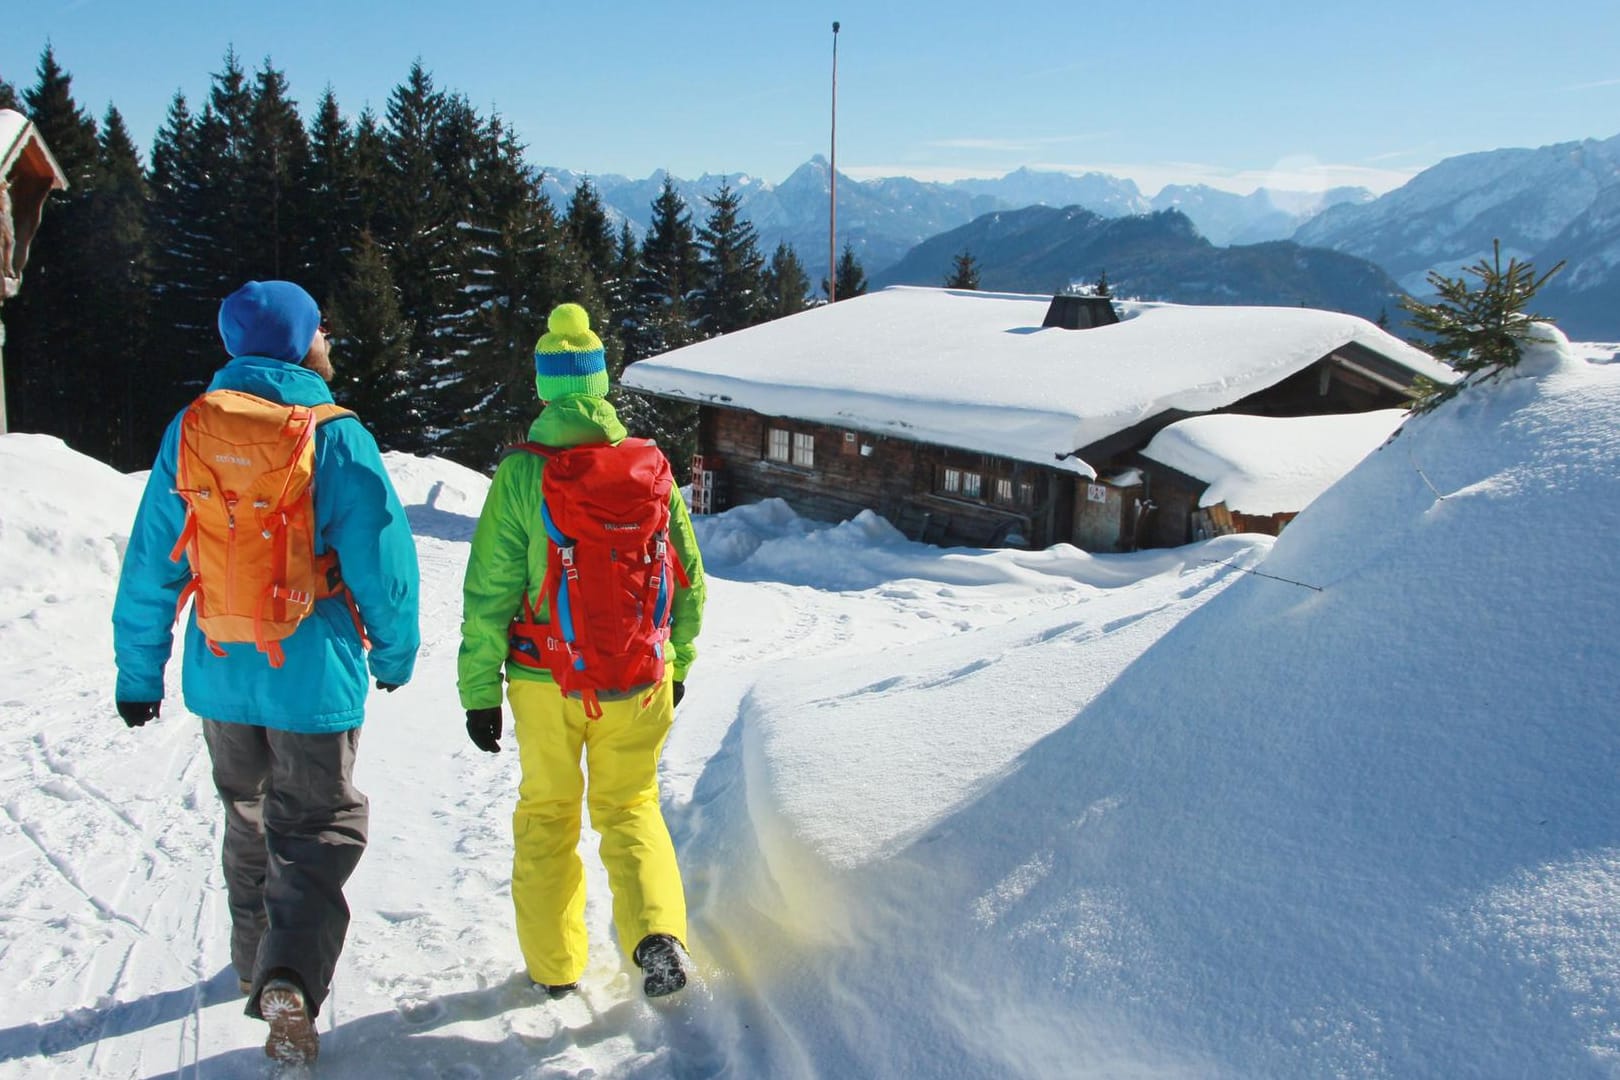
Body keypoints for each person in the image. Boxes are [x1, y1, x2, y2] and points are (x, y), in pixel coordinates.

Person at [112, 280, 420, 1065]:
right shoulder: (336, 433)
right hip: (312, 679)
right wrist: (393, 653)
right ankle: (287, 980)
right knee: (315, 829)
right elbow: (382, 561)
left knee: (244, 815)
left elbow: (152, 560)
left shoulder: (189, 429)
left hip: (220, 670)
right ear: (300, 342)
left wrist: (138, 673)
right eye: (322, 330)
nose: (329, 342)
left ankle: (254, 957)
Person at [459, 302, 705, 999]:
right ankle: (657, 936)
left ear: (545, 387)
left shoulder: (522, 476)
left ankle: (555, 968)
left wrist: (480, 691)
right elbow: (689, 581)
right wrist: (677, 663)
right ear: (598, 385)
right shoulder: (648, 469)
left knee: (548, 815)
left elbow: (488, 597)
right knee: (631, 808)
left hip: (546, 681)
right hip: (638, 675)